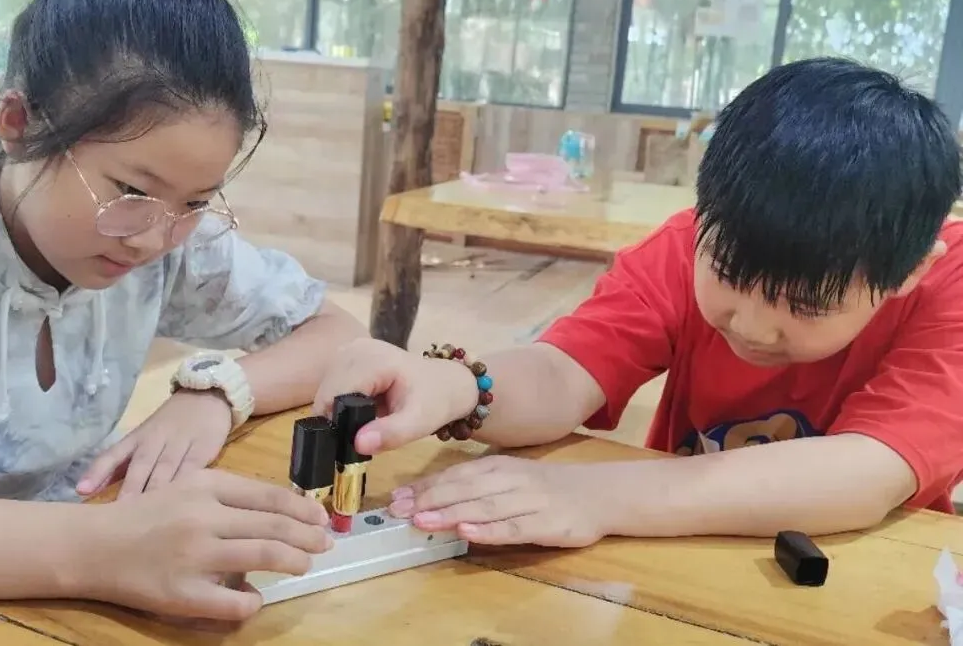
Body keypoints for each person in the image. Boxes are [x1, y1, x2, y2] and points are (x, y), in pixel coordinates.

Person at [0, 0, 369, 621]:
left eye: (195, 201)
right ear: (19, 126)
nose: (154, 240)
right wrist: (100, 550)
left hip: (76, 584)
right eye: (130, 192)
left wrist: (220, 392)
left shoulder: (166, 236)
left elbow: (336, 334)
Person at [314, 57, 963, 548]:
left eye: (807, 305)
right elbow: (565, 373)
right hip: (666, 554)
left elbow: (868, 471)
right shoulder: (683, 244)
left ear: (910, 271)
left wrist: (595, 496)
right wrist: (457, 385)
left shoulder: (952, 284)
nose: (753, 326)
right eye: (726, 273)